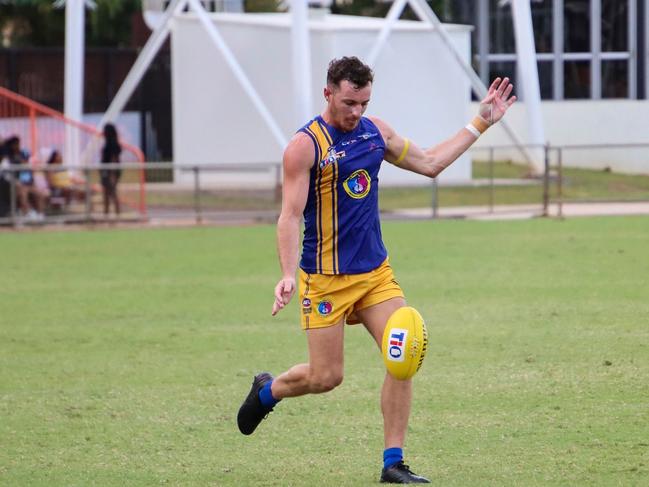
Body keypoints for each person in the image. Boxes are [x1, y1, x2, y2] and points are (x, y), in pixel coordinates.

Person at [237, 57, 516, 484]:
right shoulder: (304, 146)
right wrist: (287, 273)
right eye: (349, 102)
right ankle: (267, 390)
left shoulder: (375, 133)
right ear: (328, 93)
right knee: (326, 377)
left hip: (374, 276)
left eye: (364, 102)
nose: (356, 112)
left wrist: (480, 122)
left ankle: (393, 462)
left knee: (401, 355)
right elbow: (290, 216)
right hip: (325, 278)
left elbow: (430, 163)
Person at [1, 135, 47, 221]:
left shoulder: (23, 154)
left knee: (39, 194)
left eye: (18, 144)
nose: (17, 146)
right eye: (15, 144)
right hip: (12, 185)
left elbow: (29, 169)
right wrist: (16, 182)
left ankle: (40, 215)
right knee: (22, 193)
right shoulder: (7, 158)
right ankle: (27, 214)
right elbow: (6, 175)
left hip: (27, 183)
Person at [100, 123, 122, 216]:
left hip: (111, 171)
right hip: (106, 171)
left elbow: (114, 159)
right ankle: (106, 213)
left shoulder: (112, 145)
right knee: (106, 193)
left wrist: (112, 174)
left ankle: (117, 213)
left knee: (112, 192)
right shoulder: (108, 143)